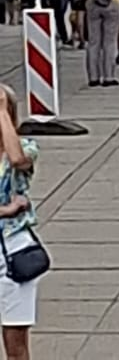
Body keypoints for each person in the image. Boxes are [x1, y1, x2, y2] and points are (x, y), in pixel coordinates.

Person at [0, 85, 41, 359]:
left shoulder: (26, 148)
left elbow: (17, 159)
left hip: (13, 254)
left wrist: (2, 108)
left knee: (16, 344)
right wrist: (6, 210)